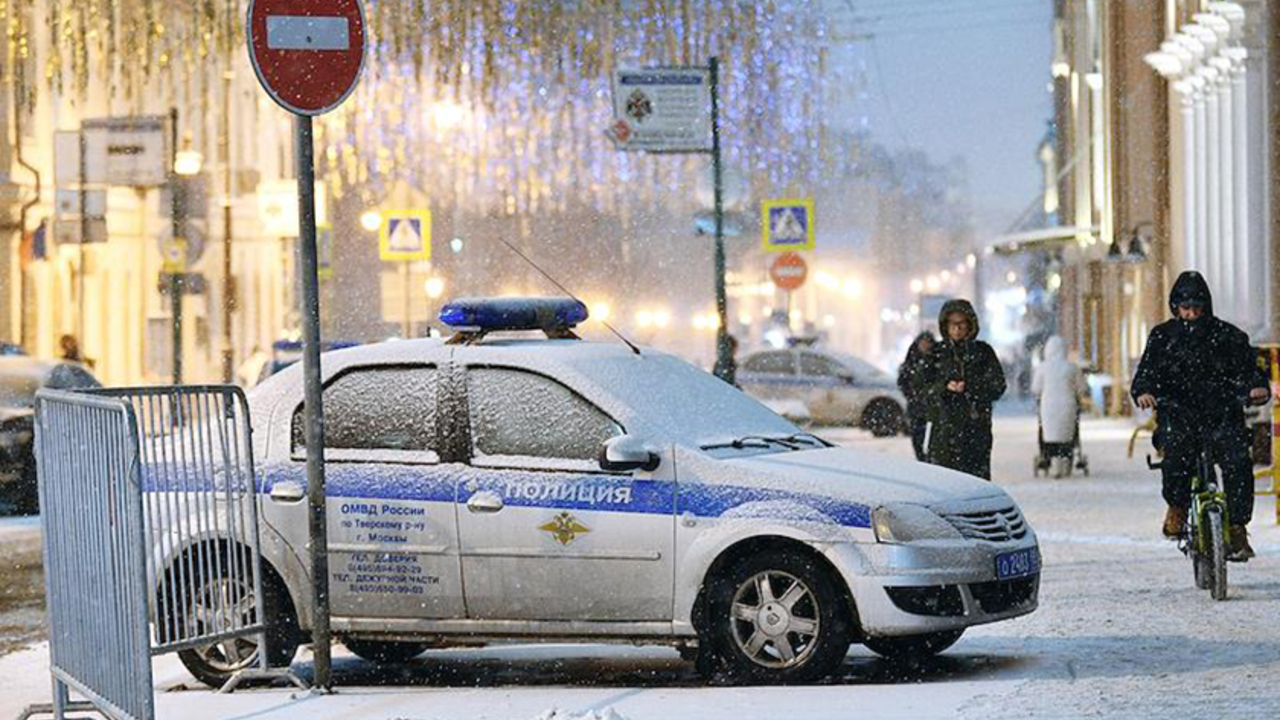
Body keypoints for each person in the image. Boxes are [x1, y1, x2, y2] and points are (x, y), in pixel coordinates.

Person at [1131, 271, 1268, 561]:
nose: (1191, 314)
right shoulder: (1163, 337)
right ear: (1175, 307)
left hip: (1222, 415)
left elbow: (1248, 370)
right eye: (1186, 309)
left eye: (1197, 308)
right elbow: (1146, 373)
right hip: (1179, 415)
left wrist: (1256, 387)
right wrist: (1144, 391)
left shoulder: (1228, 336)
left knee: (1237, 462)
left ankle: (1237, 526)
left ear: (1206, 306)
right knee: (1176, 456)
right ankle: (1178, 507)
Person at [921, 299, 1007, 479]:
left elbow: (998, 386)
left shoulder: (983, 352)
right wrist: (944, 387)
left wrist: (971, 388)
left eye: (962, 323)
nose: (957, 329)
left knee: (975, 484)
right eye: (953, 324)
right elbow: (922, 388)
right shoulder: (937, 353)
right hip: (943, 432)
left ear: (970, 324)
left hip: (975, 430)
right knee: (944, 483)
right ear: (945, 325)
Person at [1031, 336, 1085, 478]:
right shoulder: (1072, 367)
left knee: (1049, 433)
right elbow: (1081, 388)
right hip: (1068, 404)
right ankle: (1065, 458)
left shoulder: (1042, 368)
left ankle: (1050, 457)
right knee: (1067, 433)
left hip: (1048, 406)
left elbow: (1036, 388)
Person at [897, 332, 936, 461]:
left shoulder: (936, 361)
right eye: (923, 342)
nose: (925, 345)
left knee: (933, 435)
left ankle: (930, 458)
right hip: (916, 405)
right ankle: (921, 458)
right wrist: (911, 395)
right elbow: (902, 381)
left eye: (928, 342)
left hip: (932, 405)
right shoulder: (911, 361)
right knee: (917, 436)